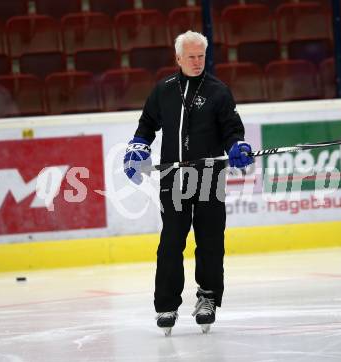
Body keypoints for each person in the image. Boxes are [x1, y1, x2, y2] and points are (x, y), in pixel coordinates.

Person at [124, 30, 254, 335]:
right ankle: (167, 305)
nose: (197, 62)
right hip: (174, 178)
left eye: (201, 56)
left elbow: (232, 129)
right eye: (191, 57)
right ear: (178, 58)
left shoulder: (219, 91)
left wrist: (237, 146)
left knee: (210, 241)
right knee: (171, 242)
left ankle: (208, 298)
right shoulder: (164, 90)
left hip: (209, 175)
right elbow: (146, 126)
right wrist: (137, 147)